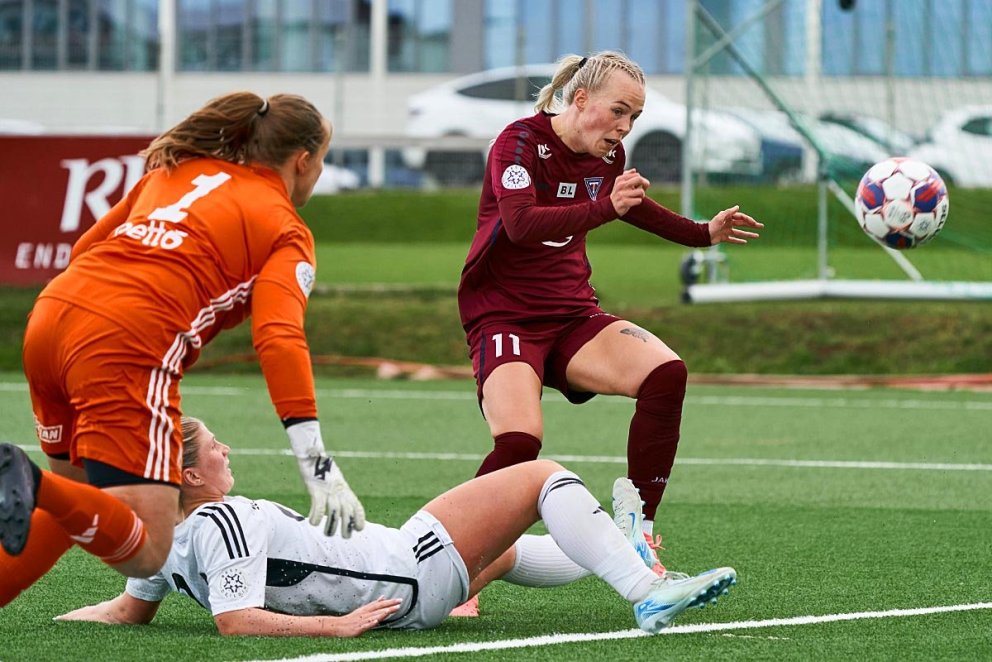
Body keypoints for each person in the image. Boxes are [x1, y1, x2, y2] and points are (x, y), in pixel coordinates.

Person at [0, 92, 365, 608]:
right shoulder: (286, 229)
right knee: (146, 551)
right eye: (322, 159)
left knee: (76, 506)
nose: (319, 170)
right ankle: (29, 477)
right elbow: (279, 339)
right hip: (126, 341)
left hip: (52, 316)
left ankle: (31, 498)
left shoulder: (176, 173)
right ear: (303, 160)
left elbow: (86, 249)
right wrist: (318, 467)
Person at [456, 50, 763, 594]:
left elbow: (630, 204)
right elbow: (522, 224)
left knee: (666, 373)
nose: (624, 128)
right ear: (580, 100)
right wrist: (607, 208)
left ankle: (639, 530)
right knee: (520, 444)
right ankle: (457, 568)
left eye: (634, 118)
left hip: (572, 314)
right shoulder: (519, 142)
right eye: (618, 112)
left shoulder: (609, 153)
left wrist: (702, 233)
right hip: (503, 316)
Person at [53, 417, 736, 635]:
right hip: (410, 566)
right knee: (539, 475)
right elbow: (236, 620)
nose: (228, 451)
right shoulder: (224, 519)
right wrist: (335, 627)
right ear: (192, 478)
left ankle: (624, 549)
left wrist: (59, 622)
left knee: (494, 554)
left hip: (406, 586)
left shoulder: (163, 546)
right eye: (215, 448)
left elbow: (125, 610)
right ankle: (644, 586)